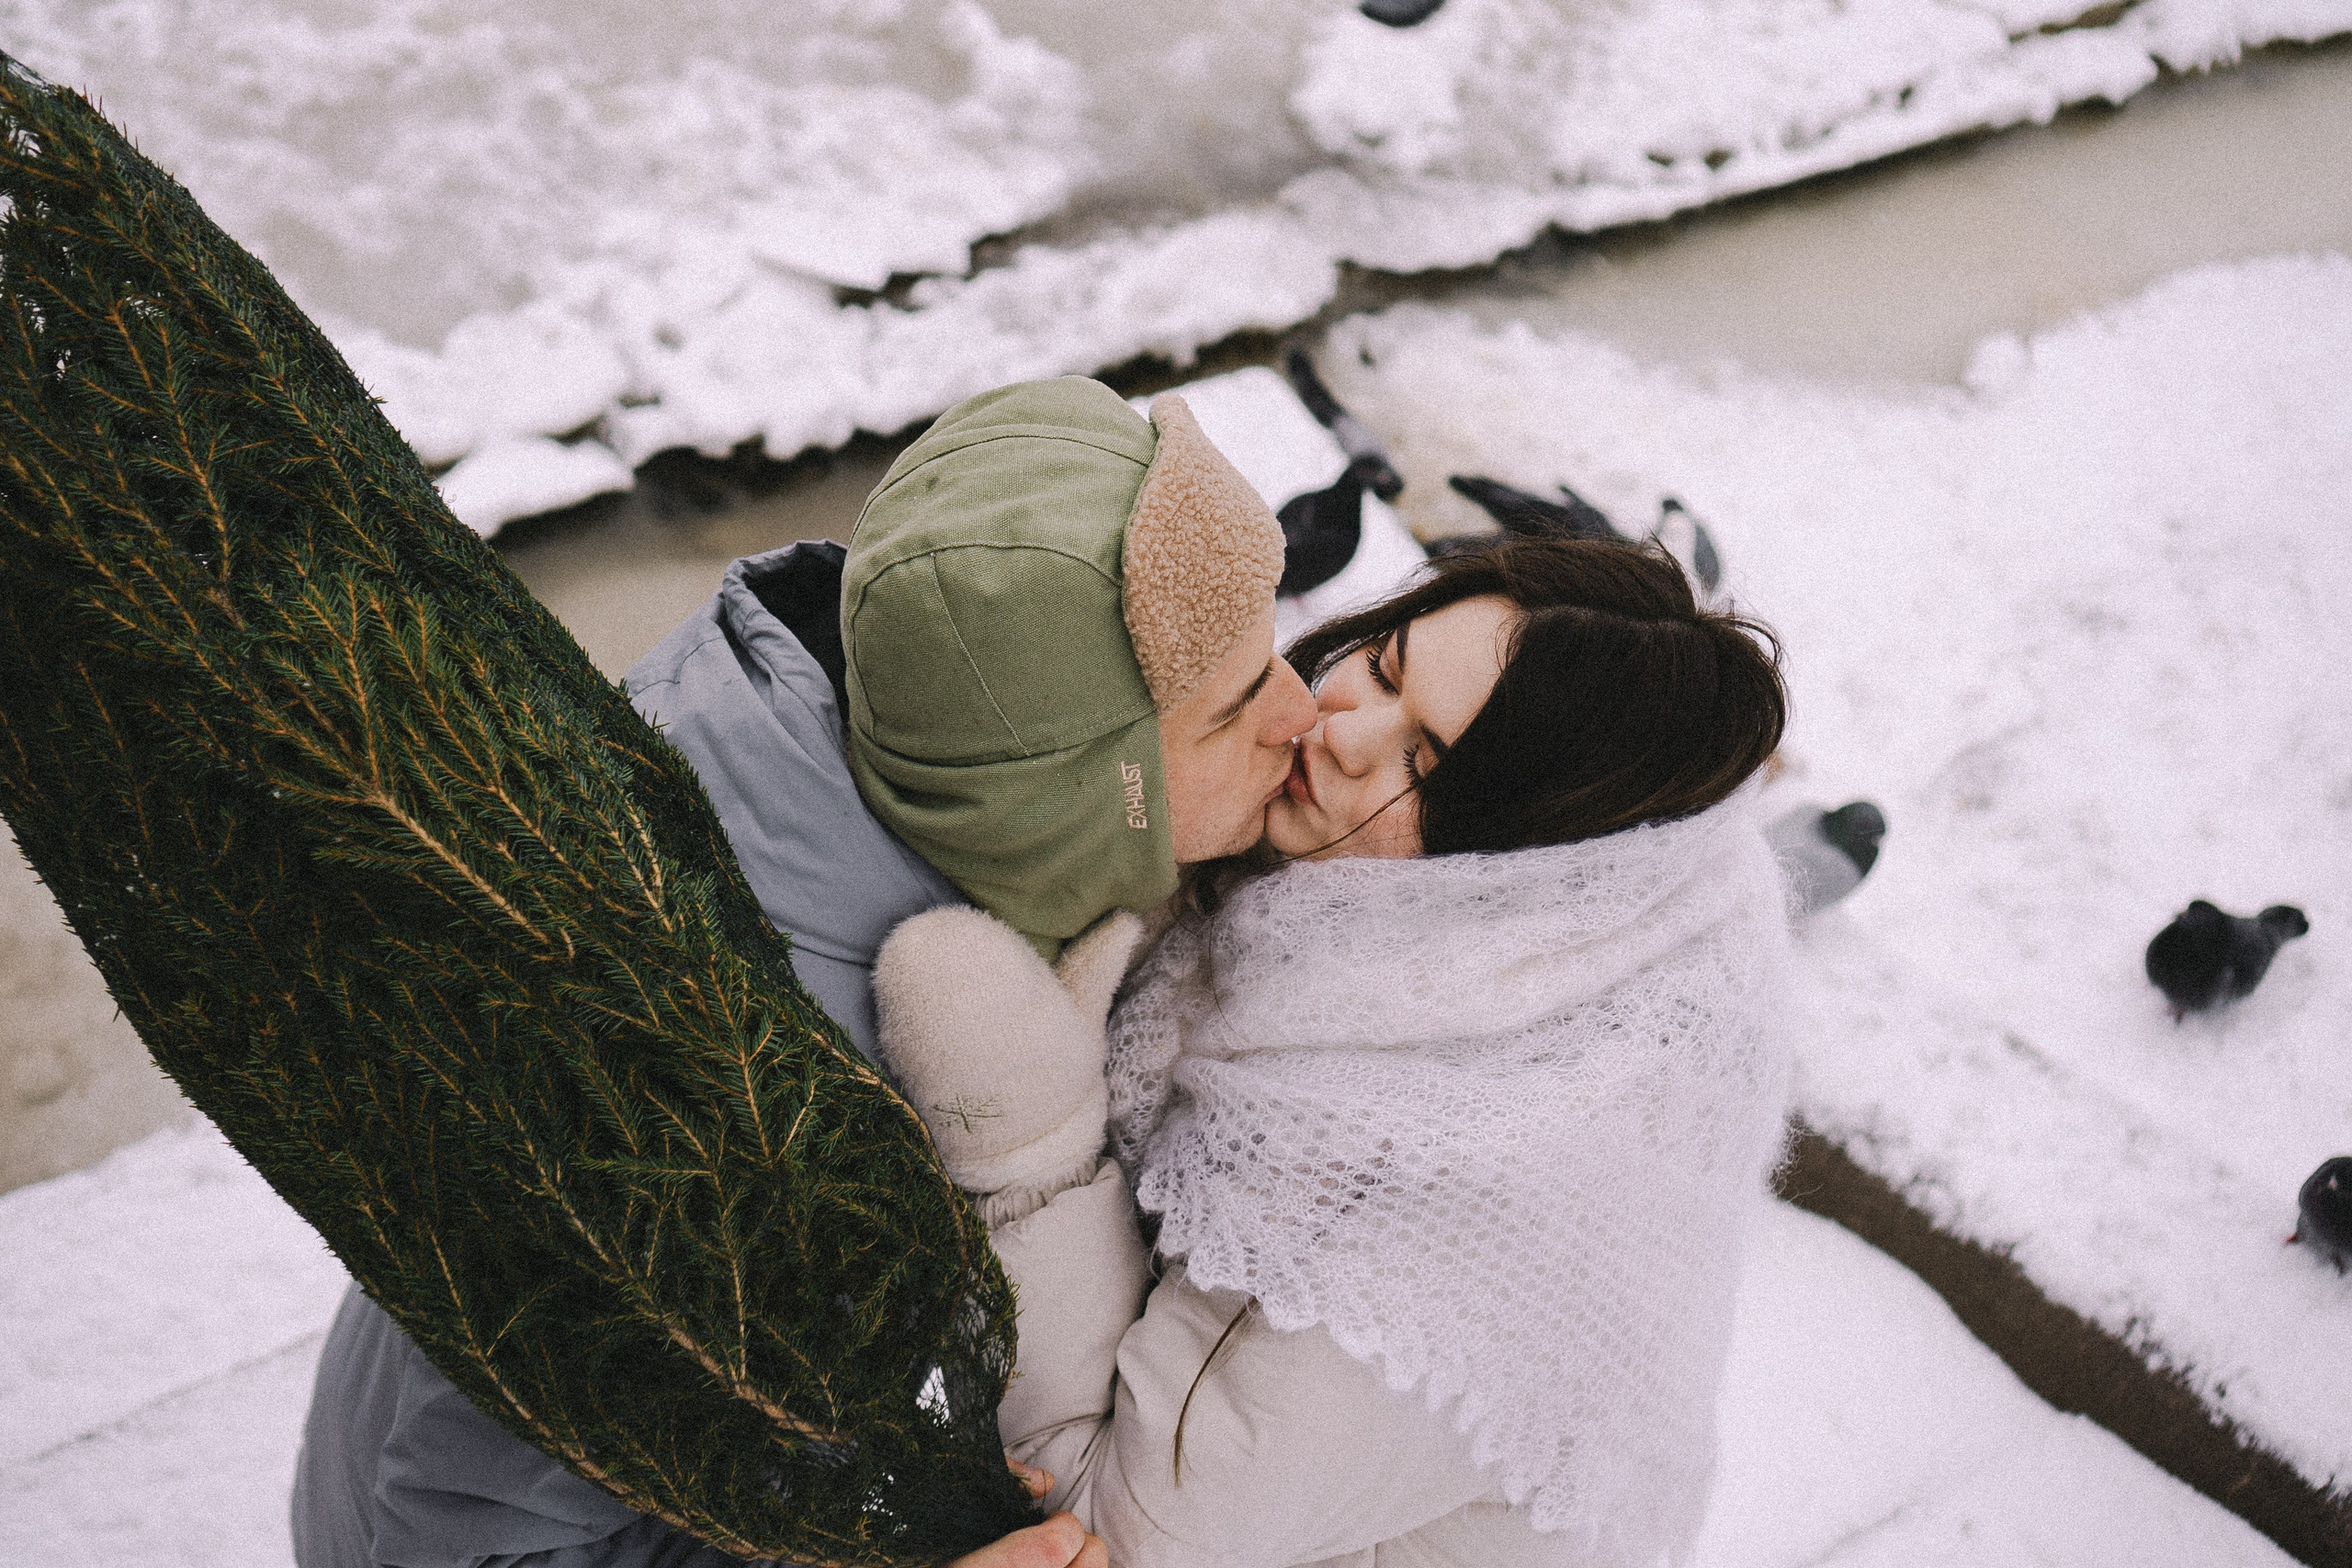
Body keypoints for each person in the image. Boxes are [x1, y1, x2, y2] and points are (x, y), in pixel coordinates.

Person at [289, 376, 1314, 1568]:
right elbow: (466, 1537)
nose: (1304, 709)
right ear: (1077, 798)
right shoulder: (704, 1085)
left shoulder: (864, 772)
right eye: (1235, 704)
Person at [870, 537, 1795, 1568]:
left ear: (1518, 869)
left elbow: (1104, 1537)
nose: (1344, 729)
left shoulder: (1403, 1199)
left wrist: (1028, 1148)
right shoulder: (1412, 955)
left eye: (1424, 762)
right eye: (1386, 664)